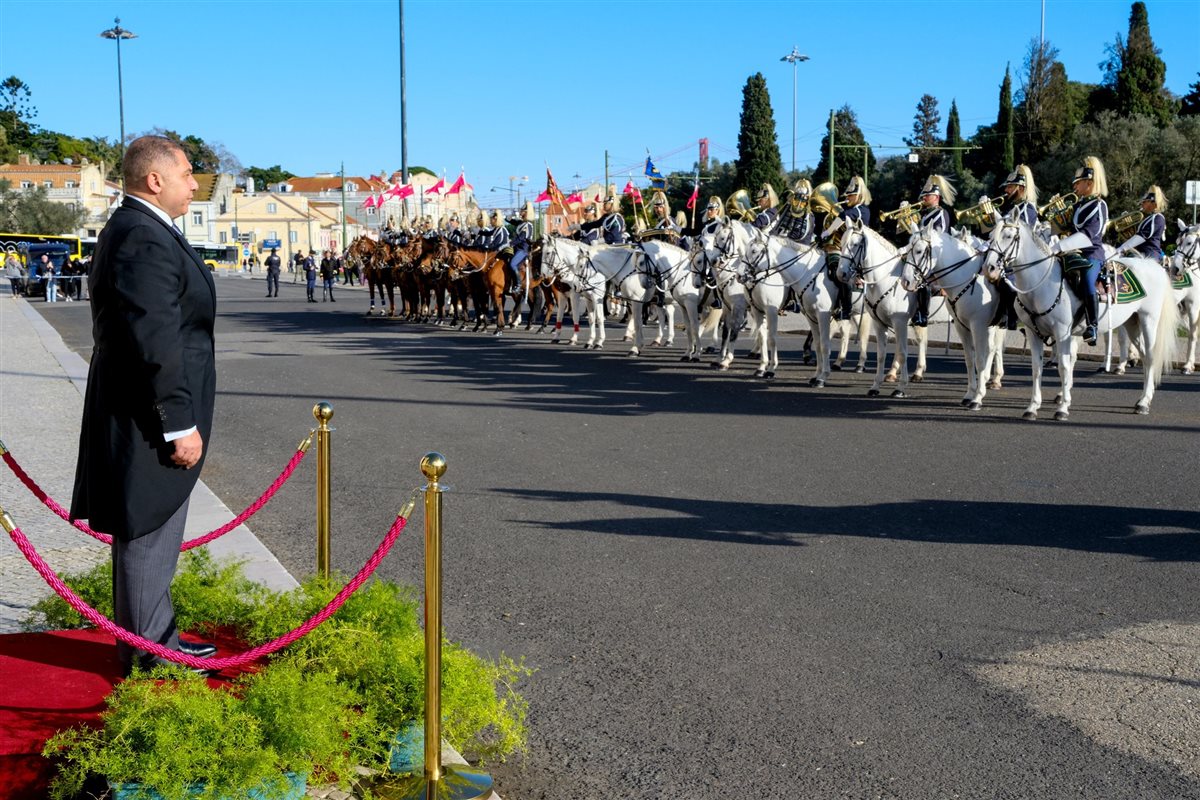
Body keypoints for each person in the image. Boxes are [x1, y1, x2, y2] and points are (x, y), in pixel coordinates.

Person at [69, 135, 217, 676]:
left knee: (154, 532)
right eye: (186, 173)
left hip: (144, 409)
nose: (194, 184)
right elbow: (155, 338)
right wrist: (179, 423)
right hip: (149, 416)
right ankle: (150, 656)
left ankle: (153, 641)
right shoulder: (142, 235)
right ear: (155, 180)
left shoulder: (142, 228)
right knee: (149, 530)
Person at [1051, 156, 1109, 345]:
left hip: (1092, 254)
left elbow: (1089, 235)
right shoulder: (1078, 205)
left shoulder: (1099, 205)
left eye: (1078, 182)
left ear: (1089, 183)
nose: (1074, 186)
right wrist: (1057, 218)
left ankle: (1092, 326)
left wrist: (1059, 246)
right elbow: (1066, 229)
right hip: (1073, 253)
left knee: (1087, 280)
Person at [822, 176, 871, 321]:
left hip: (858, 251)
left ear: (859, 195)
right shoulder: (852, 208)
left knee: (843, 273)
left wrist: (827, 232)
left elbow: (843, 217)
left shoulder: (861, 210)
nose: (847, 198)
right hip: (849, 248)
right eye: (847, 195)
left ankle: (846, 308)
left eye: (851, 195)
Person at [911, 175, 957, 326]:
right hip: (925, 254)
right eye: (923, 196)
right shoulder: (925, 216)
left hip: (937, 254)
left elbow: (939, 235)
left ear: (936, 197)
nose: (923, 198)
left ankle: (923, 314)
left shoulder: (941, 213)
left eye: (927, 195)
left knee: (923, 279)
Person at [1117, 185, 1167, 262]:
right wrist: (1127, 228)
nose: (1142, 204)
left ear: (1153, 203)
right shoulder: (1146, 218)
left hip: (1150, 256)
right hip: (1139, 254)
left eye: (1145, 201)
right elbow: (1135, 237)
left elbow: (1142, 237)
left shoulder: (1158, 218)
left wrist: (1121, 248)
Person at [508, 201, 535, 294]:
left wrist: (511, 243)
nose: (520, 212)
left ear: (527, 213)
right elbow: (510, 220)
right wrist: (510, 216)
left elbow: (521, 237)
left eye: (522, 211)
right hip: (517, 248)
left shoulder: (528, 225)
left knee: (512, 264)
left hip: (523, 249)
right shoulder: (521, 223)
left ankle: (518, 284)